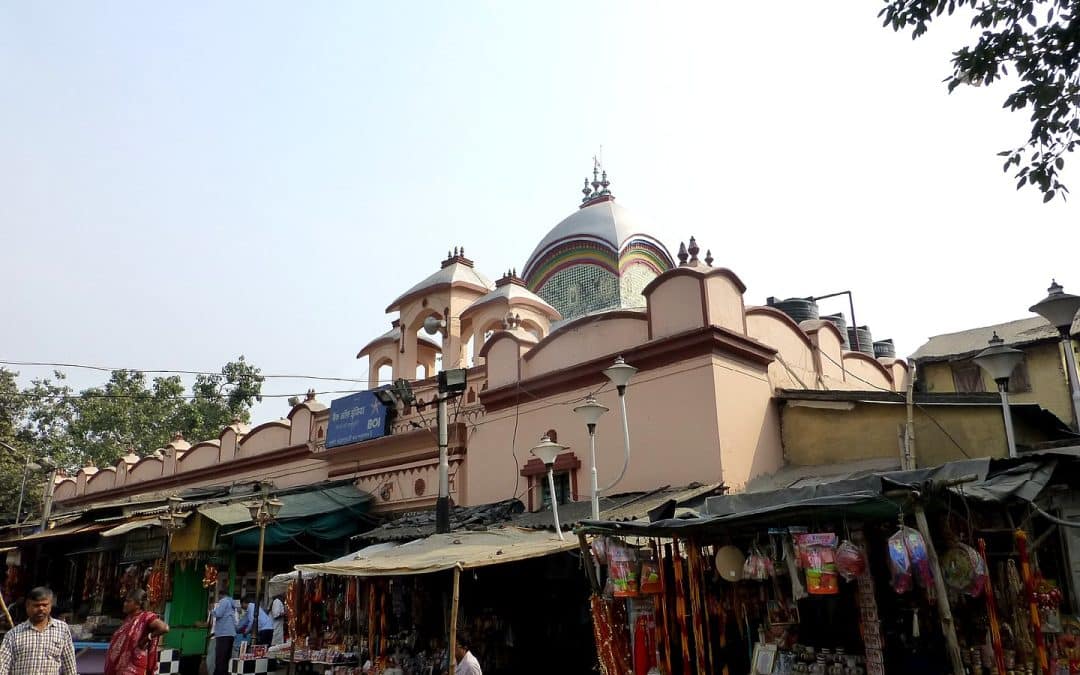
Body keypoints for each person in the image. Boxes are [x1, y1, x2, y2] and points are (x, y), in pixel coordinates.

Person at [0, 587, 77, 675]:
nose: (41, 609)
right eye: (36, 605)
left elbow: (70, 666)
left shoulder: (62, 629)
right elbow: (3, 667)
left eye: (45, 605)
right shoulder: (13, 635)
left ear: (50, 605)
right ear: (27, 606)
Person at [104, 588, 169, 675]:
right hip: (121, 667)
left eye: (128, 602)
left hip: (134, 666)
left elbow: (164, 628)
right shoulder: (129, 619)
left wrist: (147, 638)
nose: (124, 604)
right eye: (125, 601)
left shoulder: (146, 617)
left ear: (138, 605)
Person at [211, 592, 239, 675]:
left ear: (221, 595)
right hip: (230, 633)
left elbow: (218, 614)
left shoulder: (224, 601)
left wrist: (212, 610)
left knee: (220, 658)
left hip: (223, 633)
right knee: (226, 657)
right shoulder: (232, 603)